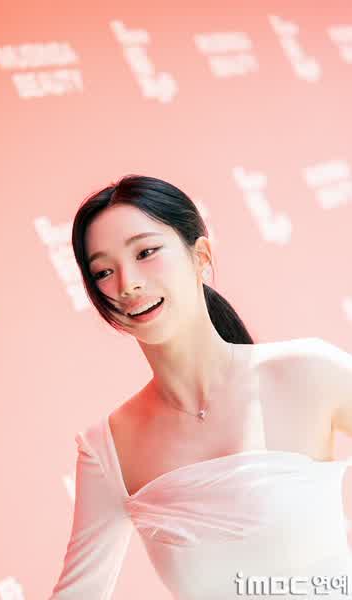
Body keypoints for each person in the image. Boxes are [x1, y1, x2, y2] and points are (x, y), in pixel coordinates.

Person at [48, 174, 352, 599]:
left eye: (146, 252)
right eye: (104, 271)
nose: (127, 283)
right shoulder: (108, 448)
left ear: (201, 255)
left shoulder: (308, 371)